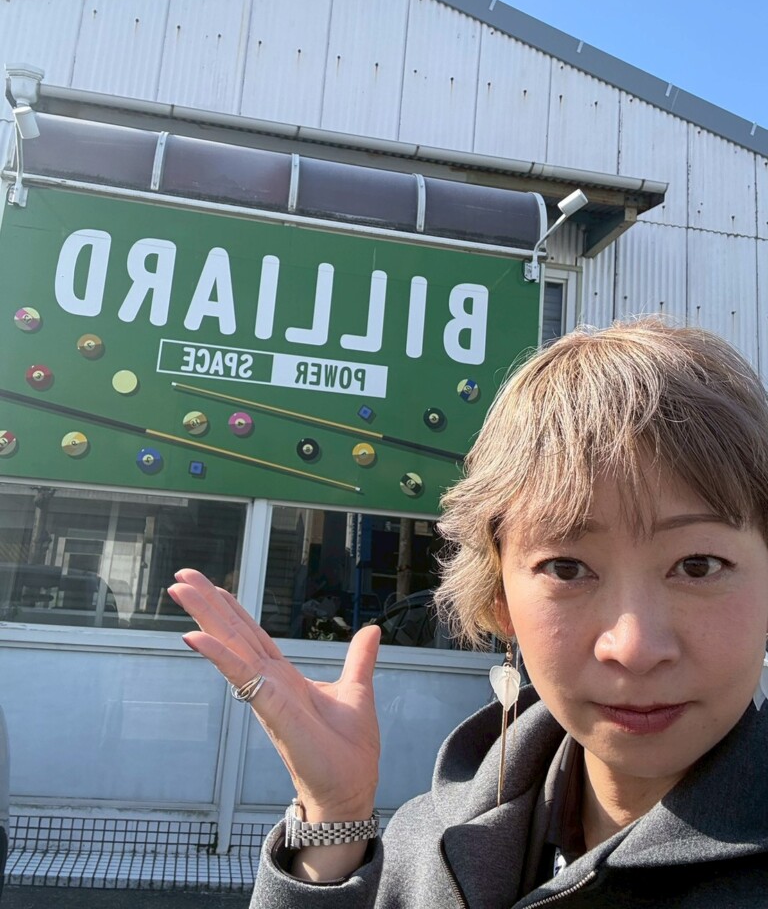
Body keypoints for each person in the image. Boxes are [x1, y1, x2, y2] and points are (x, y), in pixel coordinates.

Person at [169, 318, 768, 907]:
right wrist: (335, 820)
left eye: (698, 566)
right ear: (500, 599)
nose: (633, 648)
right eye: (566, 568)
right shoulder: (426, 843)